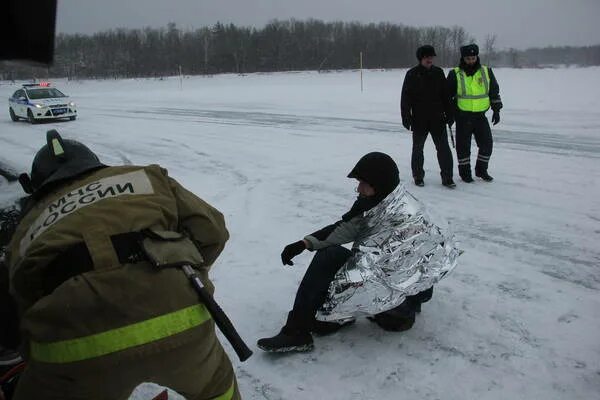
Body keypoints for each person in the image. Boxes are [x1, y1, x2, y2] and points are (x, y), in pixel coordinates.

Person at [4, 130, 240, 400]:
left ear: (35, 185)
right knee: (219, 390)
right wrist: (181, 270)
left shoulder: (24, 229)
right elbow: (212, 231)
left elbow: (20, 302)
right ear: (94, 164)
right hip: (181, 318)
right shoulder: (147, 177)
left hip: (74, 345)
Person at [257, 152, 454, 353]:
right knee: (330, 258)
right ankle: (302, 329)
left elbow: (372, 273)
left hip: (396, 299)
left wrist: (334, 312)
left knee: (333, 274)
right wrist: (303, 244)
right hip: (380, 280)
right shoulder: (374, 201)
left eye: (363, 183)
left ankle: (309, 327)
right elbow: (346, 228)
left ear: (380, 184)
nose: (358, 188)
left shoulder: (406, 220)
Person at [401, 45, 455, 188]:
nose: (429, 59)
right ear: (421, 59)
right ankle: (418, 176)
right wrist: (406, 117)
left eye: (431, 57)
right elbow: (405, 98)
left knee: (443, 148)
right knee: (418, 149)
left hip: (438, 118)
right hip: (419, 119)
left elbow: (446, 96)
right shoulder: (412, 74)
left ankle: (447, 177)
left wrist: (450, 114)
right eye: (426, 57)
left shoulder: (438, 73)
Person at [447, 44, 503, 182]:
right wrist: (450, 115)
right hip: (462, 116)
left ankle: (481, 170)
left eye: (473, 58)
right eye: (468, 58)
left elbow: (494, 91)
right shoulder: (455, 73)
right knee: (463, 147)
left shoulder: (486, 71)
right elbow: (447, 96)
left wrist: (496, 110)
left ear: (477, 57)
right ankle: (465, 173)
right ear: (463, 58)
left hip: (480, 116)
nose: (471, 61)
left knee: (487, 144)